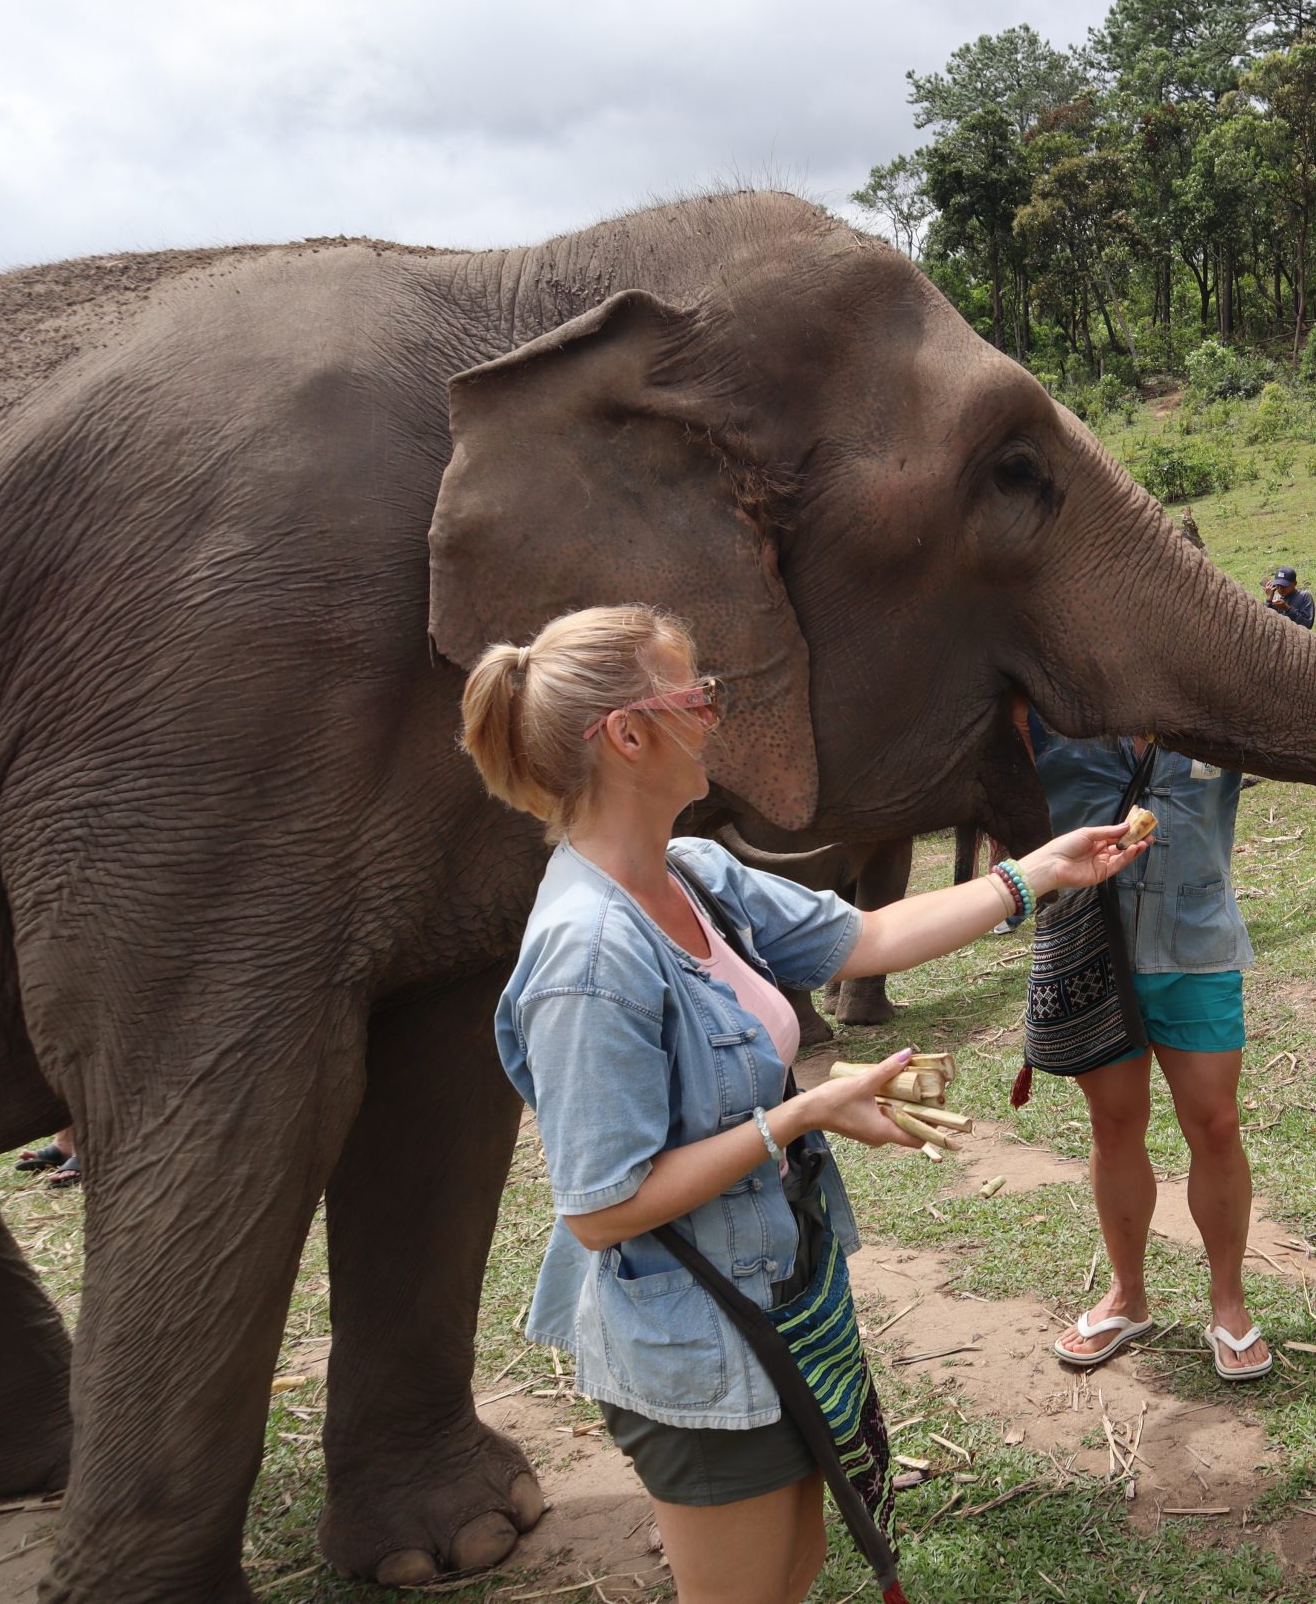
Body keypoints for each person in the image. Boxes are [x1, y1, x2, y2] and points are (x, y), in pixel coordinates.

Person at [460, 605, 1141, 1604]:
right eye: (698, 696)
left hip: (779, 1293)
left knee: (796, 1571)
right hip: (695, 1345)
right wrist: (801, 1114)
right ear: (631, 735)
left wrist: (1034, 874)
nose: (715, 715)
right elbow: (602, 1208)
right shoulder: (589, 957)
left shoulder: (692, 875)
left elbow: (857, 944)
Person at [1030, 723, 1273, 1382]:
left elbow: (1302, 697)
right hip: (1094, 949)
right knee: (1113, 1125)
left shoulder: (1210, 702)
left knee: (1217, 1125)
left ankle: (1228, 1304)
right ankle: (1127, 1296)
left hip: (1198, 946)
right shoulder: (1053, 715)